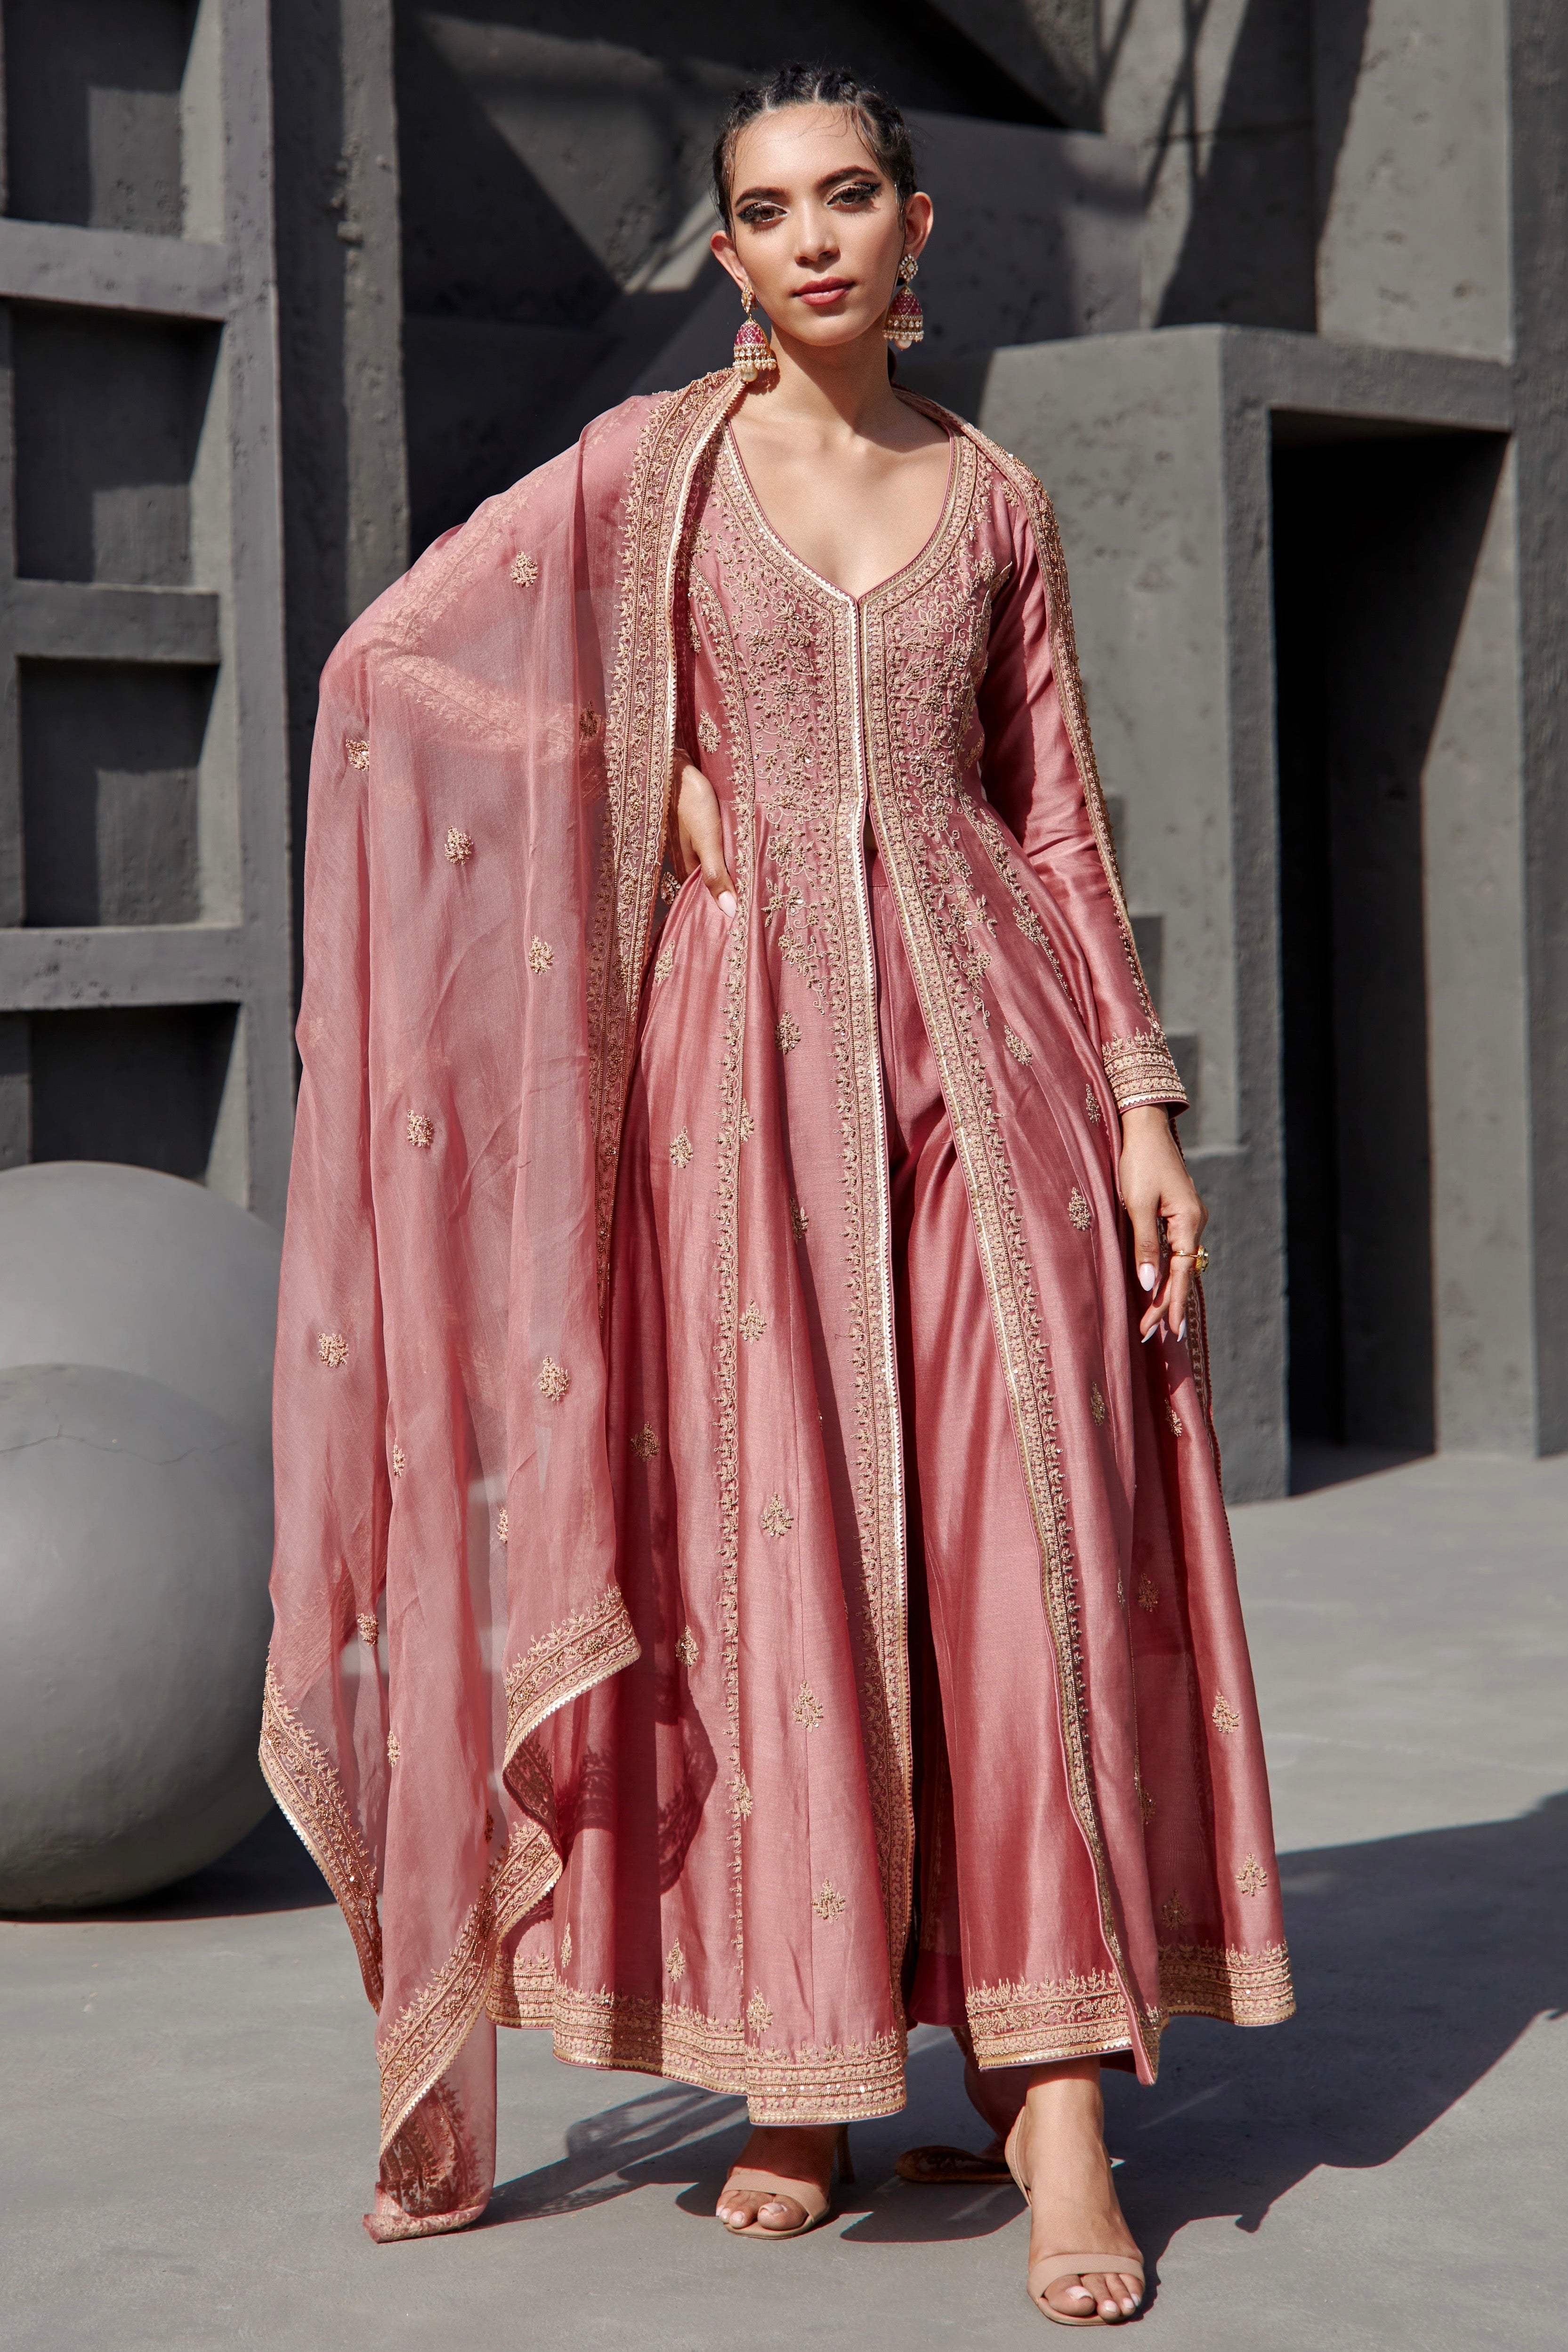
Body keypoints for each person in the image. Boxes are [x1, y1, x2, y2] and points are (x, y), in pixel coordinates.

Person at [262, 63, 1293, 2327]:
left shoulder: (994, 497)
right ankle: (801, 2076)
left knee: (1018, 1570)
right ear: (727, 254)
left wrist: (1138, 1105)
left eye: (847, 195)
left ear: (916, 230)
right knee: (775, 1580)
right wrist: (631, 783)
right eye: (765, 207)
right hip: (732, 1096)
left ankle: (1051, 2113)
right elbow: (390, 664)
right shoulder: (652, 471)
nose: (811, 235)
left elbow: (1055, 818)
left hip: (992, 1077)